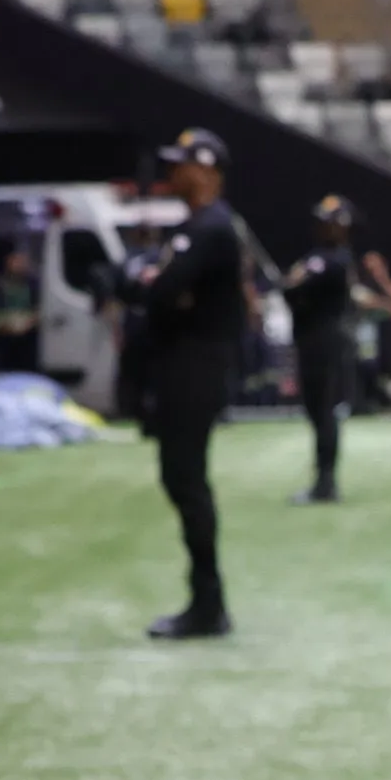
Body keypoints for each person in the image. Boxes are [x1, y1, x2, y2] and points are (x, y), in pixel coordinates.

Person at [126, 128, 245, 640]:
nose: (172, 173)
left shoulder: (211, 228)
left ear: (205, 169)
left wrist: (155, 286)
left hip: (194, 367)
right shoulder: (196, 227)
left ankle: (208, 604)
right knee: (181, 480)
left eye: (181, 164)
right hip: (185, 364)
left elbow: (162, 290)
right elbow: (155, 289)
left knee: (187, 480)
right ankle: (206, 600)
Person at [282, 194, 388, 504]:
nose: (322, 228)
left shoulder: (331, 259)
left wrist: (294, 288)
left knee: (323, 409)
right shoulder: (327, 258)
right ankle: (323, 478)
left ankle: (325, 482)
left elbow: (292, 289)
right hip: (317, 338)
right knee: (318, 410)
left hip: (323, 340)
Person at [0, 245, 40, 372]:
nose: (19, 265)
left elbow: (39, 308)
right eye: (15, 262)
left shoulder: (32, 285)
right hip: (4, 337)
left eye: (21, 262)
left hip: (27, 337)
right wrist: (3, 323)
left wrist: (31, 320)